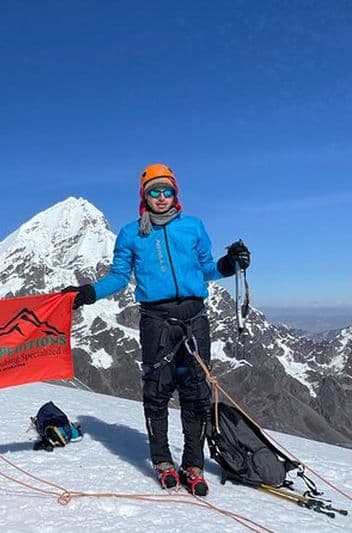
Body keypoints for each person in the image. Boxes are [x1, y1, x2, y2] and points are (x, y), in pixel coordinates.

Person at [64, 164, 250, 496]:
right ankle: (162, 460)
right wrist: (88, 293)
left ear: (175, 194)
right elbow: (120, 276)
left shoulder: (193, 227)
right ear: (144, 196)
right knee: (157, 392)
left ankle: (192, 465)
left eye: (167, 191)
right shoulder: (131, 233)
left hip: (195, 317)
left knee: (196, 394)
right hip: (156, 320)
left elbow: (207, 269)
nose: (161, 197)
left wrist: (228, 263)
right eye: (154, 191)